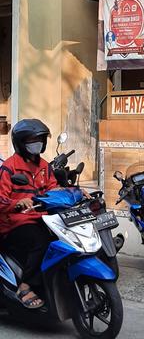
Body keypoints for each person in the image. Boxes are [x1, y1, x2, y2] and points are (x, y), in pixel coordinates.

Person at [0, 119, 60, 309]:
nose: (38, 143)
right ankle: (25, 286)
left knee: (59, 240)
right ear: (21, 142)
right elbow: (1, 199)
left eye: (40, 139)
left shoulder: (45, 167)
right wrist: (17, 203)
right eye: (33, 139)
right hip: (13, 223)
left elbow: (53, 189)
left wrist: (72, 191)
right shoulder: (9, 168)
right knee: (40, 241)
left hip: (40, 218)